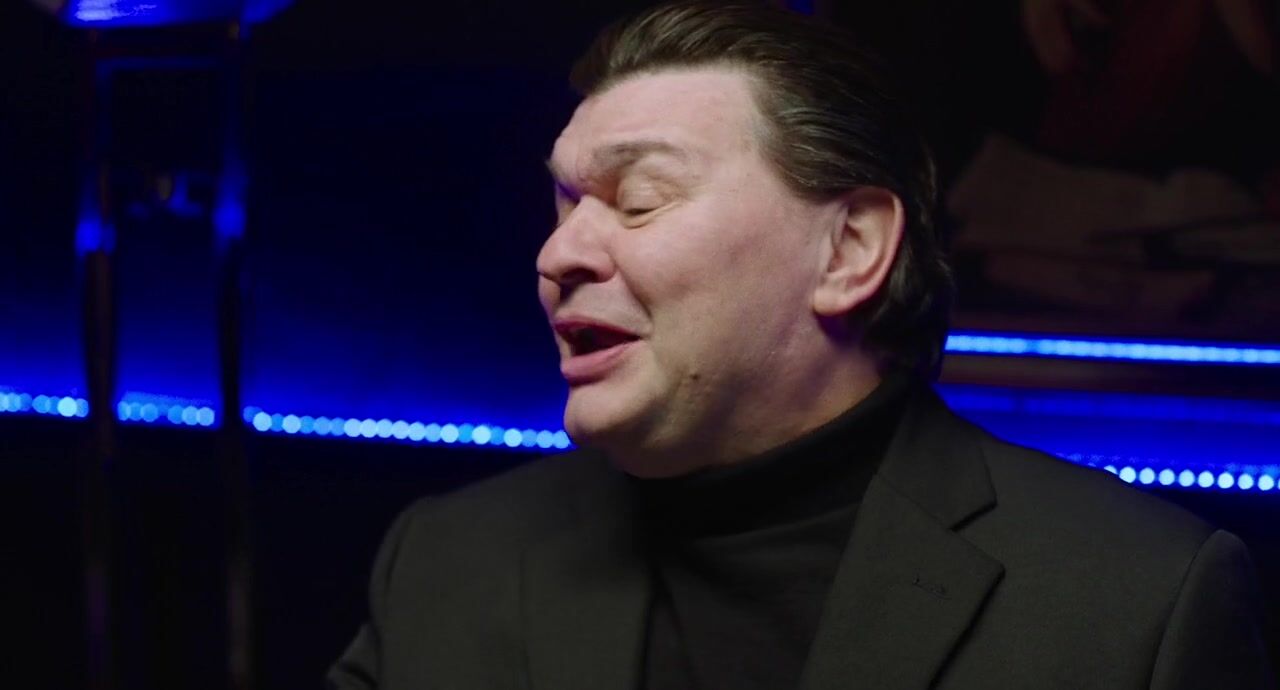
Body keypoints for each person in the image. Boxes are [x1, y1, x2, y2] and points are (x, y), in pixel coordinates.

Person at [327, 2, 1274, 688]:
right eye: (565, 207)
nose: (557, 255)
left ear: (849, 250)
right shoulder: (448, 562)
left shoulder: (1135, 600)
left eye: (639, 199)